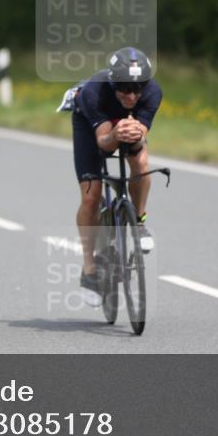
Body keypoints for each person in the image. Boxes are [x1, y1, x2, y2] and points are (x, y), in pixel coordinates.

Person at [68, 47, 162, 307]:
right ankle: (89, 270)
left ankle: (139, 221)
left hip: (124, 126)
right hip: (91, 127)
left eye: (137, 88)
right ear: (112, 83)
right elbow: (104, 143)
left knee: (141, 162)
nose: (132, 95)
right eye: (124, 88)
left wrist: (135, 134)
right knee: (91, 196)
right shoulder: (93, 92)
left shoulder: (153, 92)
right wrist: (117, 133)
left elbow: (139, 139)